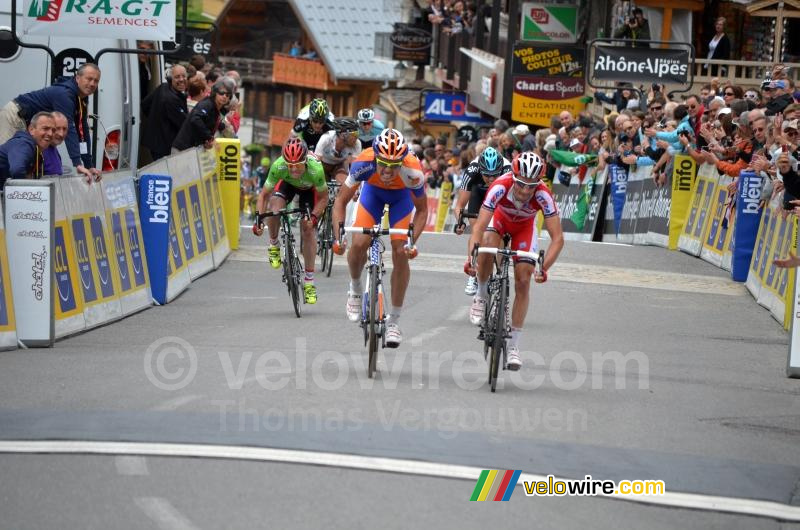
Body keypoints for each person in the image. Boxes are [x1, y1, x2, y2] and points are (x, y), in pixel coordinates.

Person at [465, 152, 564, 370]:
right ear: (514, 177)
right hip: (499, 221)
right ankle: (481, 296)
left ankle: (513, 347)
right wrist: (470, 257)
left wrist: (544, 268)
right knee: (488, 244)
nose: (525, 191)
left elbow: (558, 239)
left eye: (531, 186)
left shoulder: (543, 194)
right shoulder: (500, 185)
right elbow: (479, 227)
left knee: (523, 280)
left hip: (524, 229)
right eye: (521, 184)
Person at [331, 128, 428, 347]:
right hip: (372, 195)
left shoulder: (413, 171)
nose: (387, 170)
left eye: (394, 165)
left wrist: (413, 242)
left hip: (401, 199)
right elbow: (340, 202)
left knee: (400, 250)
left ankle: (394, 320)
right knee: (358, 243)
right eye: (383, 163)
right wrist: (338, 237)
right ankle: (355, 289)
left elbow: (422, 211)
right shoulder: (362, 163)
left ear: (402, 161)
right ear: (375, 157)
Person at [252, 138, 328, 304]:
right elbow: (264, 195)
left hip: (309, 190)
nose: (294, 169)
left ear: (305, 161)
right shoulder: (279, 165)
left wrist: (314, 217)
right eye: (290, 165)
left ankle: (309, 282)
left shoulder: (316, 169)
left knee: (308, 229)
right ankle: (274, 244)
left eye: (298, 165)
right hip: (287, 185)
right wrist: (258, 219)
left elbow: (324, 198)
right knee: (274, 209)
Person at [0, 63, 102, 181]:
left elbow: (82, 131)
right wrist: (77, 163)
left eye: (96, 81)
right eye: (89, 79)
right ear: (77, 78)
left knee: (25, 164)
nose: (92, 84)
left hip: (29, 122)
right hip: (15, 115)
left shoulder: (81, 99)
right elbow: (71, 129)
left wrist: (89, 165)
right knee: (9, 164)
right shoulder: (65, 94)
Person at [454, 146, 511, 295]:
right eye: (487, 175)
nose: (491, 179)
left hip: (501, 196)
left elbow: (510, 204)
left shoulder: (508, 170)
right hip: (478, 193)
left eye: (494, 175)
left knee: (501, 232)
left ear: (500, 169)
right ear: (480, 169)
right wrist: (460, 222)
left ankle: (498, 272)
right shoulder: (472, 170)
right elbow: (460, 205)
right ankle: (473, 271)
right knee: (477, 230)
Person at [172, 78, 234, 152]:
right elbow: (195, 119)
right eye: (221, 93)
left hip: (191, 149)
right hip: (182, 149)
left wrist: (206, 141)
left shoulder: (216, 109)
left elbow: (202, 128)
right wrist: (209, 137)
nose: (224, 96)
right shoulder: (207, 104)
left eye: (227, 95)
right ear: (215, 93)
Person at [141, 64, 188, 161]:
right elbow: (184, 125)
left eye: (184, 76)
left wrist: (155, 118)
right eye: (177, 77)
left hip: (154, 142)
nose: (181, 79)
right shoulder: (172, 99)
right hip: (163, 146)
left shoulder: (163, 87)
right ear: (171, 78)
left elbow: (145, 105)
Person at [0, 111, 54, 190]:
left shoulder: (34, 148)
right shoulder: (24, 144)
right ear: (31, 129)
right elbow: (17, 170)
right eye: (45, 128)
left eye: (53, 130)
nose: (50, 133)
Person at [315, 117, 362, 183]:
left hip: (339, 165)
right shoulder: (326, 138)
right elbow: (316, 161)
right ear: (343, 135)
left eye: (358, 133)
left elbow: (354, 168)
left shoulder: (357, 143)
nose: (357, 137)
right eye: (355, 134)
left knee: (344, 181)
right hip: (323, 165)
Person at [43, 112, 68, 176]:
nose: (61, 134)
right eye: (57, 128)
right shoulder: (39, 150)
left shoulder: (54, 149)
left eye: (64, 129)